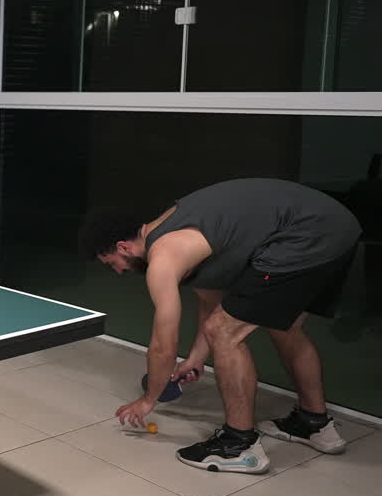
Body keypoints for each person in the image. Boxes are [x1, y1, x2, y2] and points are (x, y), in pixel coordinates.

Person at [77, 178, 361, 474]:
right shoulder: (182, 235)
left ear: (123, 247)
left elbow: (164, 344)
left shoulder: (164, 255)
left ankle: (238, 445)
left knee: (225, 333)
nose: (119, 272)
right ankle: (313, 424)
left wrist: (149, 400)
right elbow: (213, 306)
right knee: (281, 327)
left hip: (304, 235)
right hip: (335, 227)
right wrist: (197, 358)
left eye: (111, 263)